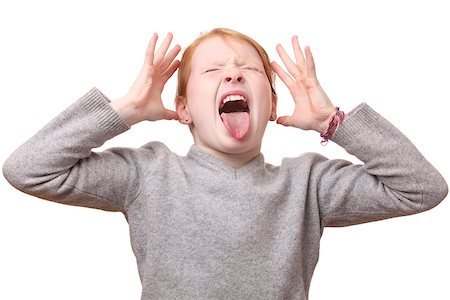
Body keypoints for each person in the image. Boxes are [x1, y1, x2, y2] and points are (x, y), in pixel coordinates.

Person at [2, 28, 448, 299]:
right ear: (183, 109)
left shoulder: (308, 183)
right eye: (212, 71)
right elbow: (29, 169)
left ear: (271, 106)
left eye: (248, 70)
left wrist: (333, 122)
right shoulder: (146, 174)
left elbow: (422, 187)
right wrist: (126, 110)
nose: (233, 75)